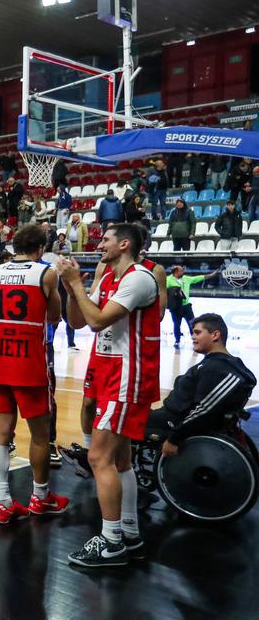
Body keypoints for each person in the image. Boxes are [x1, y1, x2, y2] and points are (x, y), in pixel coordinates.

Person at [57, 223, 160, 567]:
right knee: (121, 460)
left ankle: (111, 540)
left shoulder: (138, 278)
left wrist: (74, 283)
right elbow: (77, 323)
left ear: (125, 244)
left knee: (98, 459)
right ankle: (128, 533)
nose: (99, 243)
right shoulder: (108, 278)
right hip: (108, 373)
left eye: (106, 239)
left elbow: (99, 320)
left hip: (125, 377)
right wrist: (74, 292)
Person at [0, 224, 68, 524]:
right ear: (40, 249)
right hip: (28, 361)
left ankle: (3, 502)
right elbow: (55, 316)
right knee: (39, 435)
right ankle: (40, 497)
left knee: (0, 433)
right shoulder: (46, 273)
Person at [149, 314, 256, 455]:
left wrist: (174, 438)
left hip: (173, 422)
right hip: (173, 416)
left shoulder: (216, 368)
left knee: (120, 422)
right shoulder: (228, 363)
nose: (192, 337)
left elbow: (205, 409)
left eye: (197, 332)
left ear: (215, 335)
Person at [166, 265, 219, 349]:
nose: (183, 272)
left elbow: (198, 278)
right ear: (176, 272)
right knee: (176, 324)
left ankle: (195, 339)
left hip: (186, 306)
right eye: (181, 271)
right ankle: (177, 341)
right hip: (176, 306)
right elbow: (163, 291)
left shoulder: (186, 278)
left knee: (192, 324)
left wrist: (211, 275)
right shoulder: (168, 280)